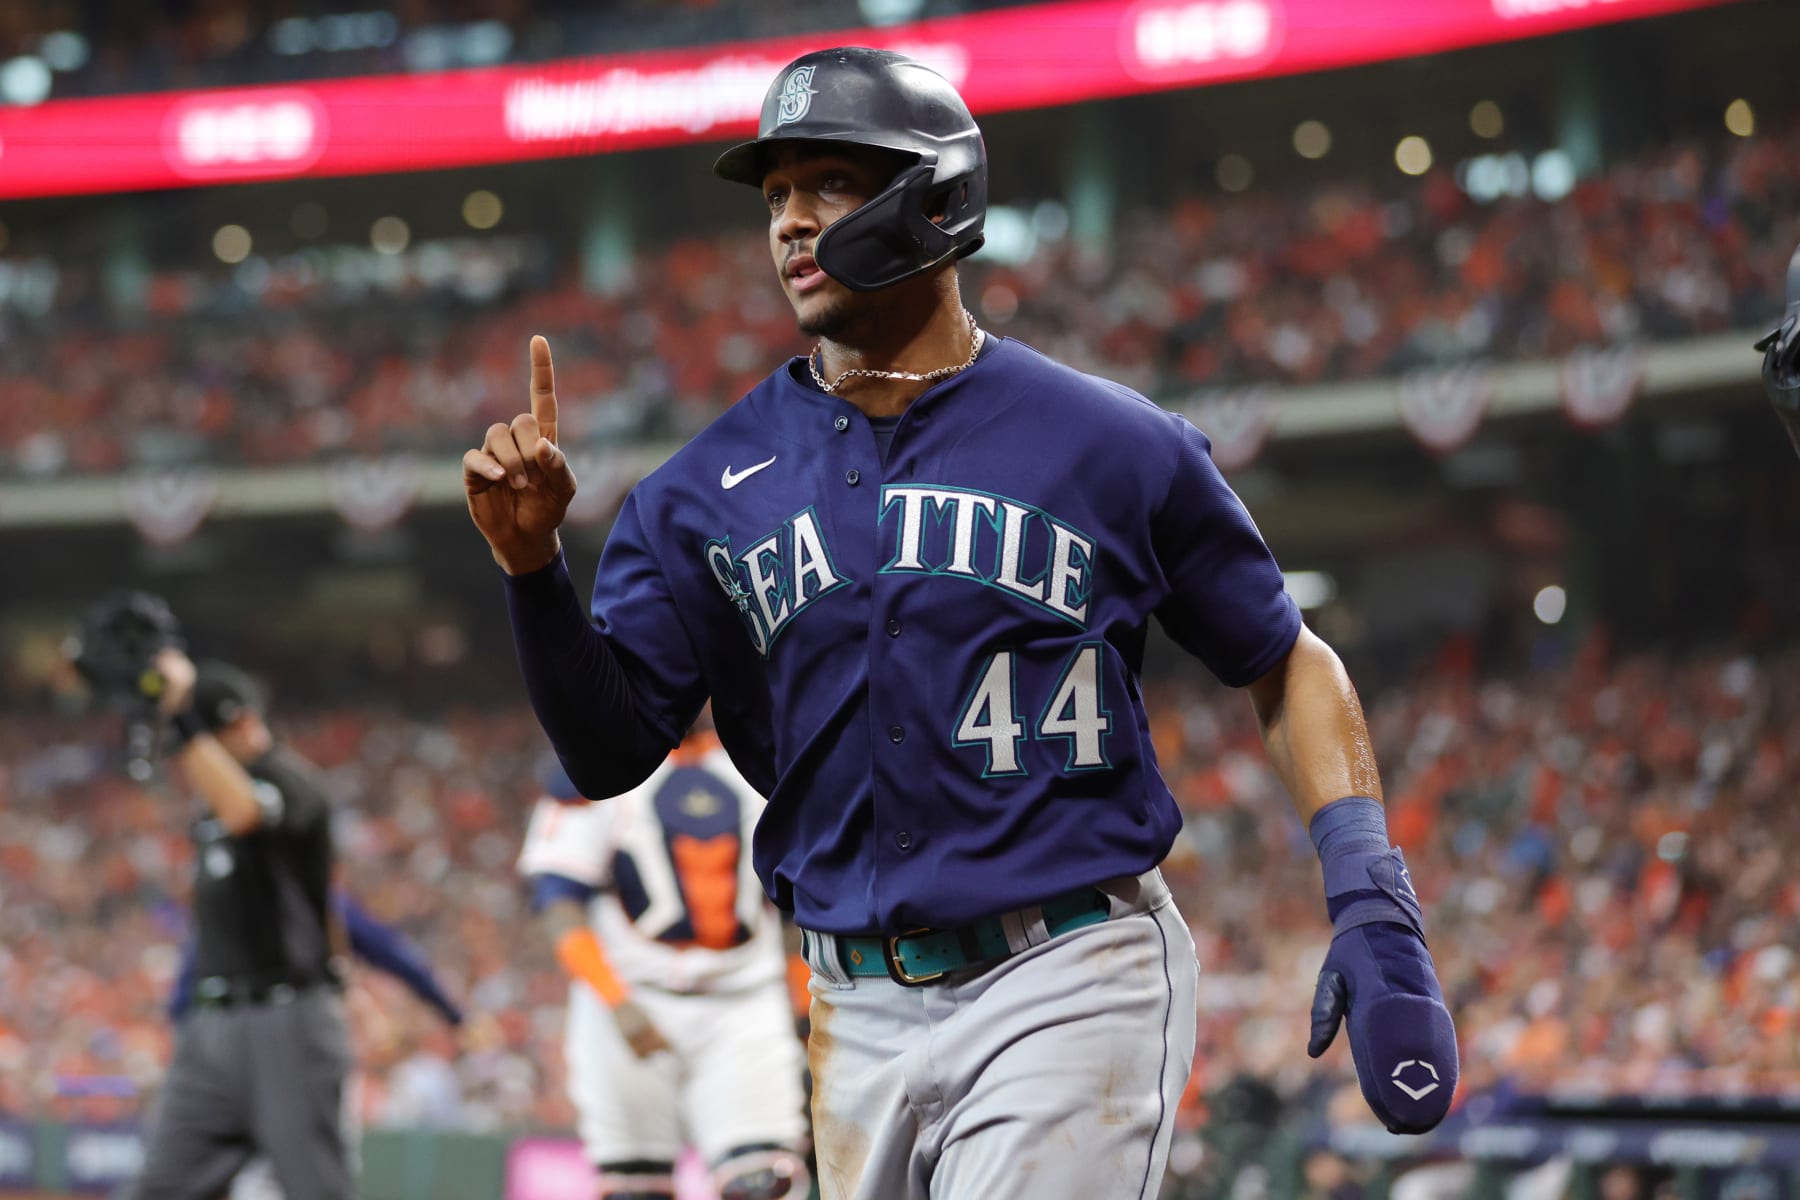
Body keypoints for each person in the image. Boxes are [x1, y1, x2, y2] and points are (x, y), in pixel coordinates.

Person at [465, 47, 1458, 1200]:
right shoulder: (699, 489)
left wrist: (1371, 898)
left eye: (828, 183)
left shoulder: (1109, 443)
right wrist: (534, 571)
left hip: (1067, 973)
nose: (790, 224)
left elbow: (1284, 662)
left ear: (937, 198)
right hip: (846, 1005)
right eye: (776, 196)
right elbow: (606, 749)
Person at [517, 725, 809, 1200]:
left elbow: (798, 906)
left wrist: (803, 1009)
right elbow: (558, 898)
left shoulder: (766, 751)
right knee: (635, 1187)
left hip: (744, 1000)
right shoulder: (600, 755)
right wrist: (617, 1002)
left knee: (764, 1182)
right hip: (633, 992)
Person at [128, 652, 352, 1200]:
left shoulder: (289, 781)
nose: (250, 730)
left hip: (287, 1017)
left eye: (209, 737)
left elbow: (248, 813)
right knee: (162, 1187)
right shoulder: (208, 811)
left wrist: (184, 721)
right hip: (214, 1026)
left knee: (313, 1189)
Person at [161, 890, 464, 1200]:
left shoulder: (259, 899)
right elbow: (395, 956)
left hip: (244, 1054)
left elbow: (185, 991)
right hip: (292, 1057)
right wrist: (451, 1012)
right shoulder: (307, 900)